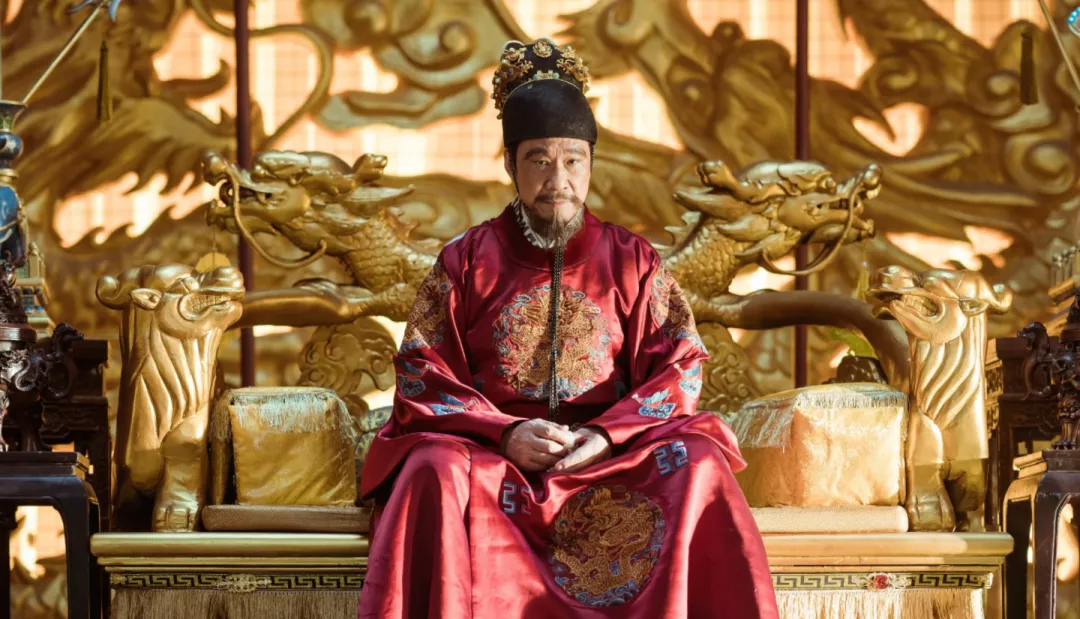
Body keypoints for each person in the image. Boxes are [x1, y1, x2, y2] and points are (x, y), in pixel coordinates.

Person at [357, 38, 778, 619]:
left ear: (590, 165)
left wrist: (605, 434)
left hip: (609, 454)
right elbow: (420, 373)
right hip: (495, 460)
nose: (558, 179)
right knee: (433, 465)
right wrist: (505, 432)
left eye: (573, 160)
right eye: (539, 160)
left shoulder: (632, 261)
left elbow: (681, 366)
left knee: (699, 458)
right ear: (511, 165)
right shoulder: (466, 261)